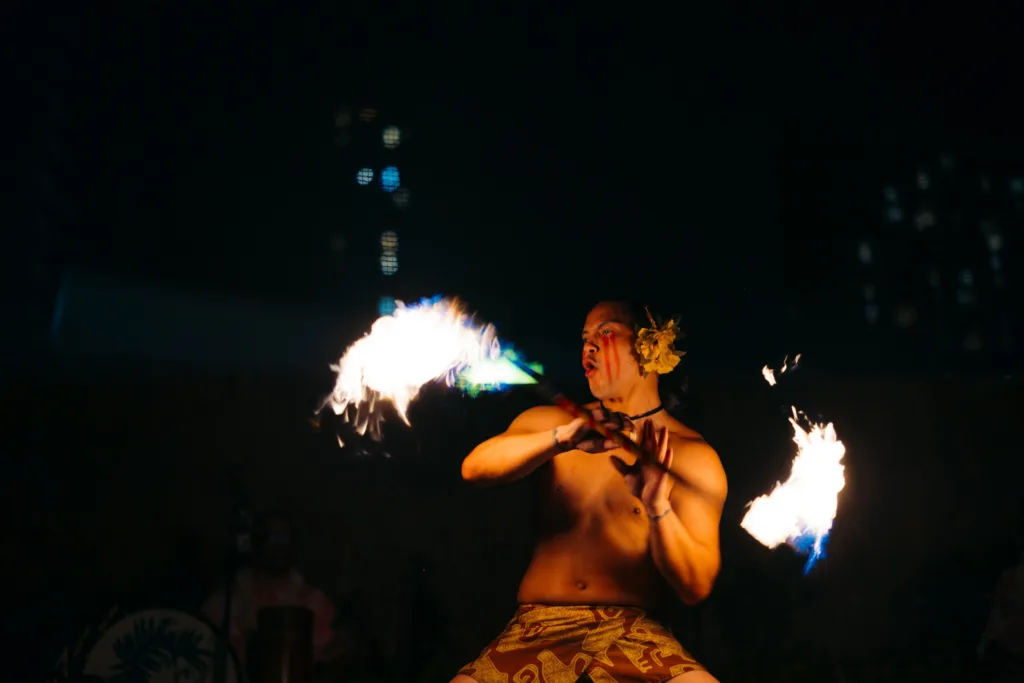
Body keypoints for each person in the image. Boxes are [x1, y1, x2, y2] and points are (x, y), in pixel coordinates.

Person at [453, 301, 727, 683]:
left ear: (649, 349)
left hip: (634, 636)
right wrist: (559, 440)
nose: (589, 347)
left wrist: (657, 506)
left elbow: (695, 585)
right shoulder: (554, 423)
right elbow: (475, 468)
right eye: (585, 338)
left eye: (606, 333)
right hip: (536, 629)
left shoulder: (691, 456)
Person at [202, 511, 351, 677]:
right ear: (256, 543)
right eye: (272, 537)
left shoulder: (314, 602)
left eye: (285, 537)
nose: (280, 545)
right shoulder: (225, 602)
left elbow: (332, 654)